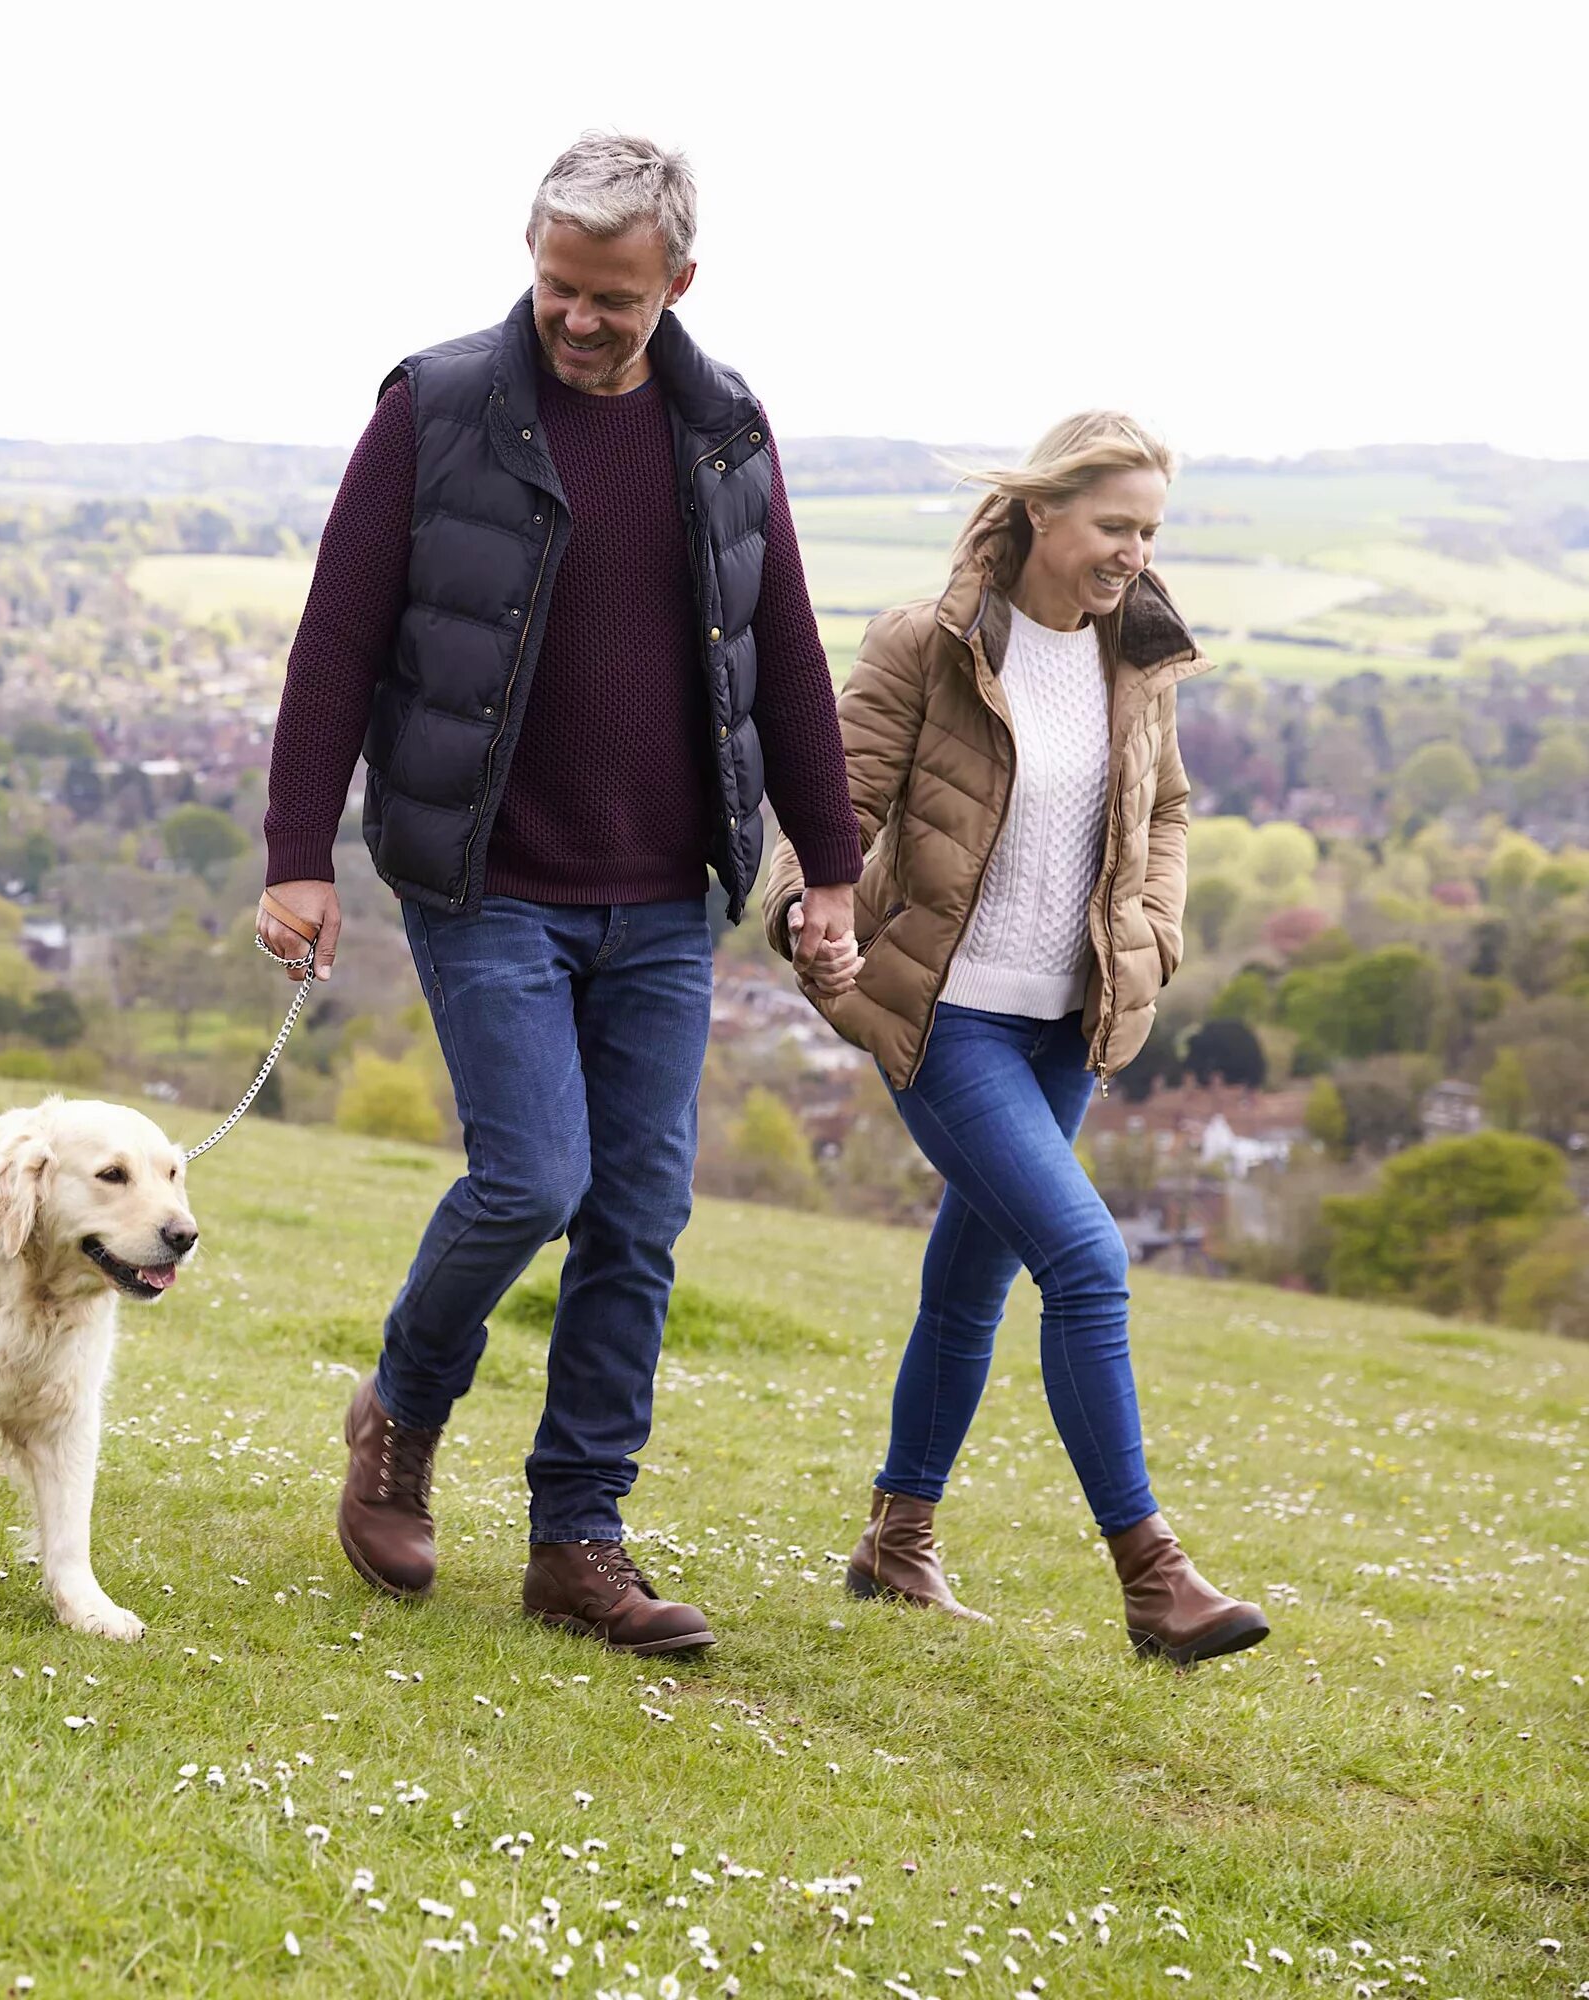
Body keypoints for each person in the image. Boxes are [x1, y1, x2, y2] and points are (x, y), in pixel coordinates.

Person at [257, 131, 865, 1656]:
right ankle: (399, 1413)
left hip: (665, 891)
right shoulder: (440, 404)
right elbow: (338, 638)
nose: (579, 320)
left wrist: (833, 871)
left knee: (640, 1214)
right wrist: (295, 855)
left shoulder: (724, 427)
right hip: (489, 877)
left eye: (613, 297)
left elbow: (781, 653)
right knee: (534, 1179)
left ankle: (578, 1540)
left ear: (679, 280)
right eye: (556, 288)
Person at [757, 411, 1270, 1666]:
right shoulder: (925, 645)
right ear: (1043, 512)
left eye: (1148, 531)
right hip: (946, 1017)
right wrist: (797, 908)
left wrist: (1152, 931)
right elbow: (837, 801)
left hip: (1065, 1026)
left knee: (970, 1282)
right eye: (1113, 526)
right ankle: (1154, 1576)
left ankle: (896, 1537)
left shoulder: (1133, 658)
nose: (1133, 555)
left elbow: (1168, 810)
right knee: (1088, 1261)